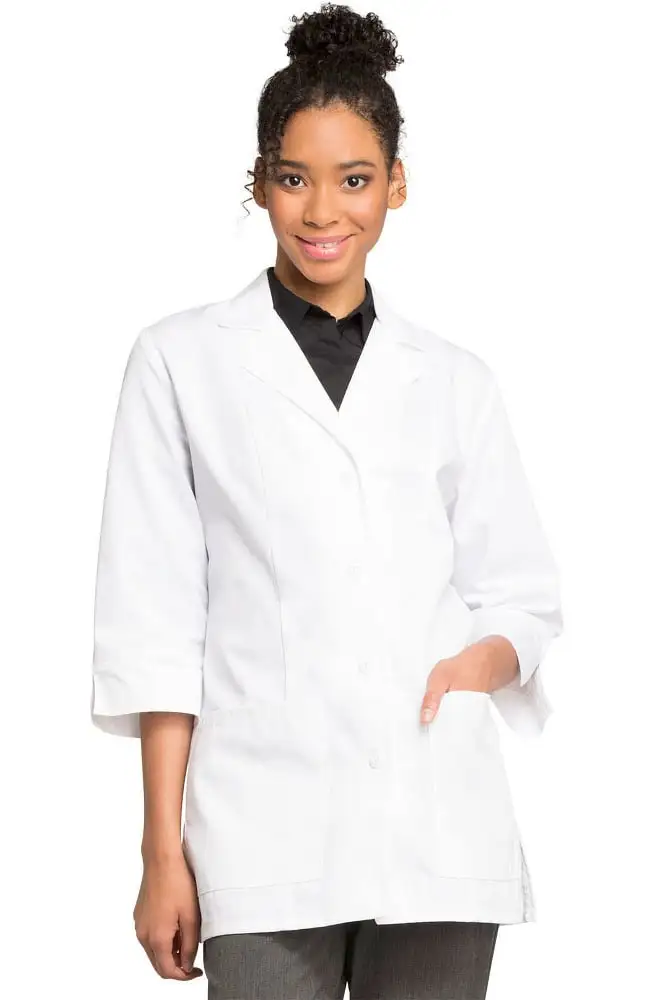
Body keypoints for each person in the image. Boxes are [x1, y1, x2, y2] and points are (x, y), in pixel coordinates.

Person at [90, 4, 564, 998]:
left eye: (354, 180)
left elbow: (520, 596)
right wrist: (161, 851)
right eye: (292, 178)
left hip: (436, 816)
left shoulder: (455, 379)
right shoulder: (179, 361)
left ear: (395, 184)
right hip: (262, 827)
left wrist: (471, 668)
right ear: (259, 182)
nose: (321, 213)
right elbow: (155, 625)